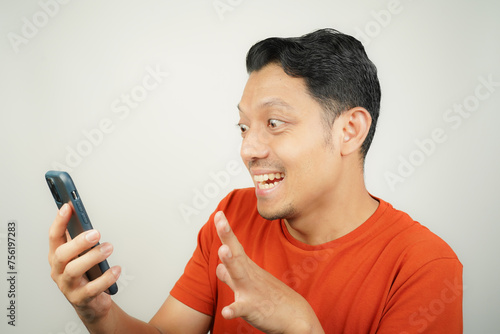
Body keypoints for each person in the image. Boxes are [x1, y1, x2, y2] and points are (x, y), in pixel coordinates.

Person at [48, 28, 463, 333]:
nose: (248, 150)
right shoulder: (233, 216)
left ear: (349, 131)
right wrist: (98, 311)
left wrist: (301, 325)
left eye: (274, 122)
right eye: (244, 127)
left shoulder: (424, 265)